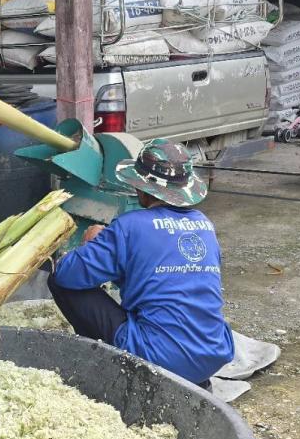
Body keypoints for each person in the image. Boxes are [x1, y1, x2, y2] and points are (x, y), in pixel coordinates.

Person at [47, 139, 234, 386]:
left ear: (142, 189)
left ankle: (115, 368)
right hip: (213, 353)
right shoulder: (204, 225)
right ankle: (194, 381)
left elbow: (67, 274)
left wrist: (91, 246)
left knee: (58, 281)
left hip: (159, 356)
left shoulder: (131, 226)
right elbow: (162, 275)